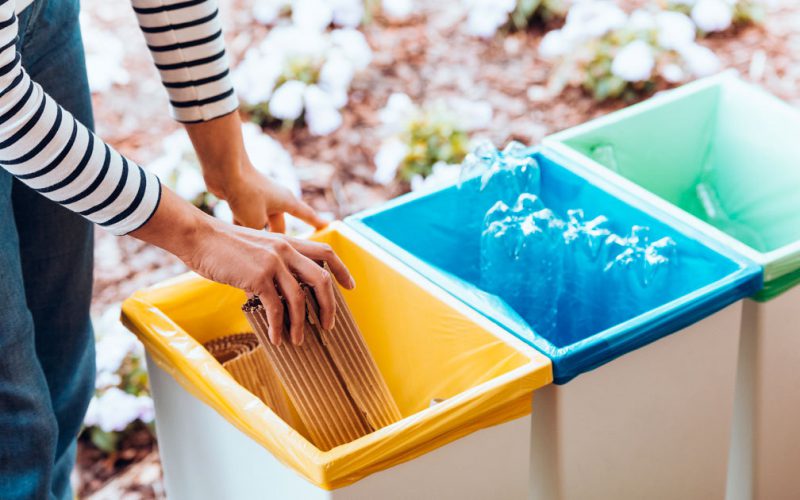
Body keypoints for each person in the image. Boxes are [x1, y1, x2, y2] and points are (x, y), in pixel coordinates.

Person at [0, 0, 355, 498]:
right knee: (14, 427)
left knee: (60, 368)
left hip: (39, 17)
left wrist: (229, 165)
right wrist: (199, 235)